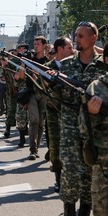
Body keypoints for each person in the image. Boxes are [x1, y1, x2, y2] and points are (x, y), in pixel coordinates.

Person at [58, 22, 106, 216]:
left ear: (93, 38)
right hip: (70, 126)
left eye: (81, 36)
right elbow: (45, 90)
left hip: (94, 127)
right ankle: (69, 210)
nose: (76, 39)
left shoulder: (103, 64)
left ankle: (84, 211)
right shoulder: (66, 64)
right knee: (69, 169)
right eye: (75, 36)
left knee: (89, 171)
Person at [45, 36, 74, 193]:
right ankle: (58, 179)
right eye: (69, 47)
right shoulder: (46, 67)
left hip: (71, 112)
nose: (72, 49)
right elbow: (38, 90)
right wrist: (47, 81)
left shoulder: (74, 65)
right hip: (54, 112)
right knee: (55, 146)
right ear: (60, 49)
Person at [85, 43, 108, 215]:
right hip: (103, 165)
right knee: (101, 210)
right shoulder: (96, 88)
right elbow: (82, 128)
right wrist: (92, 114)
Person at [21, 36, 49, 160]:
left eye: (38, 43)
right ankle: (32, 149)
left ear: (44, 45)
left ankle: (36, 147)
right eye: (34, 43)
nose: (35, 45)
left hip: (44, 94)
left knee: (41, 123)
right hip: (32, 93)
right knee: (34, 120)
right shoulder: (30, 60)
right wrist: (23, 64)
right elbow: (22, 76)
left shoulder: (48, 61)